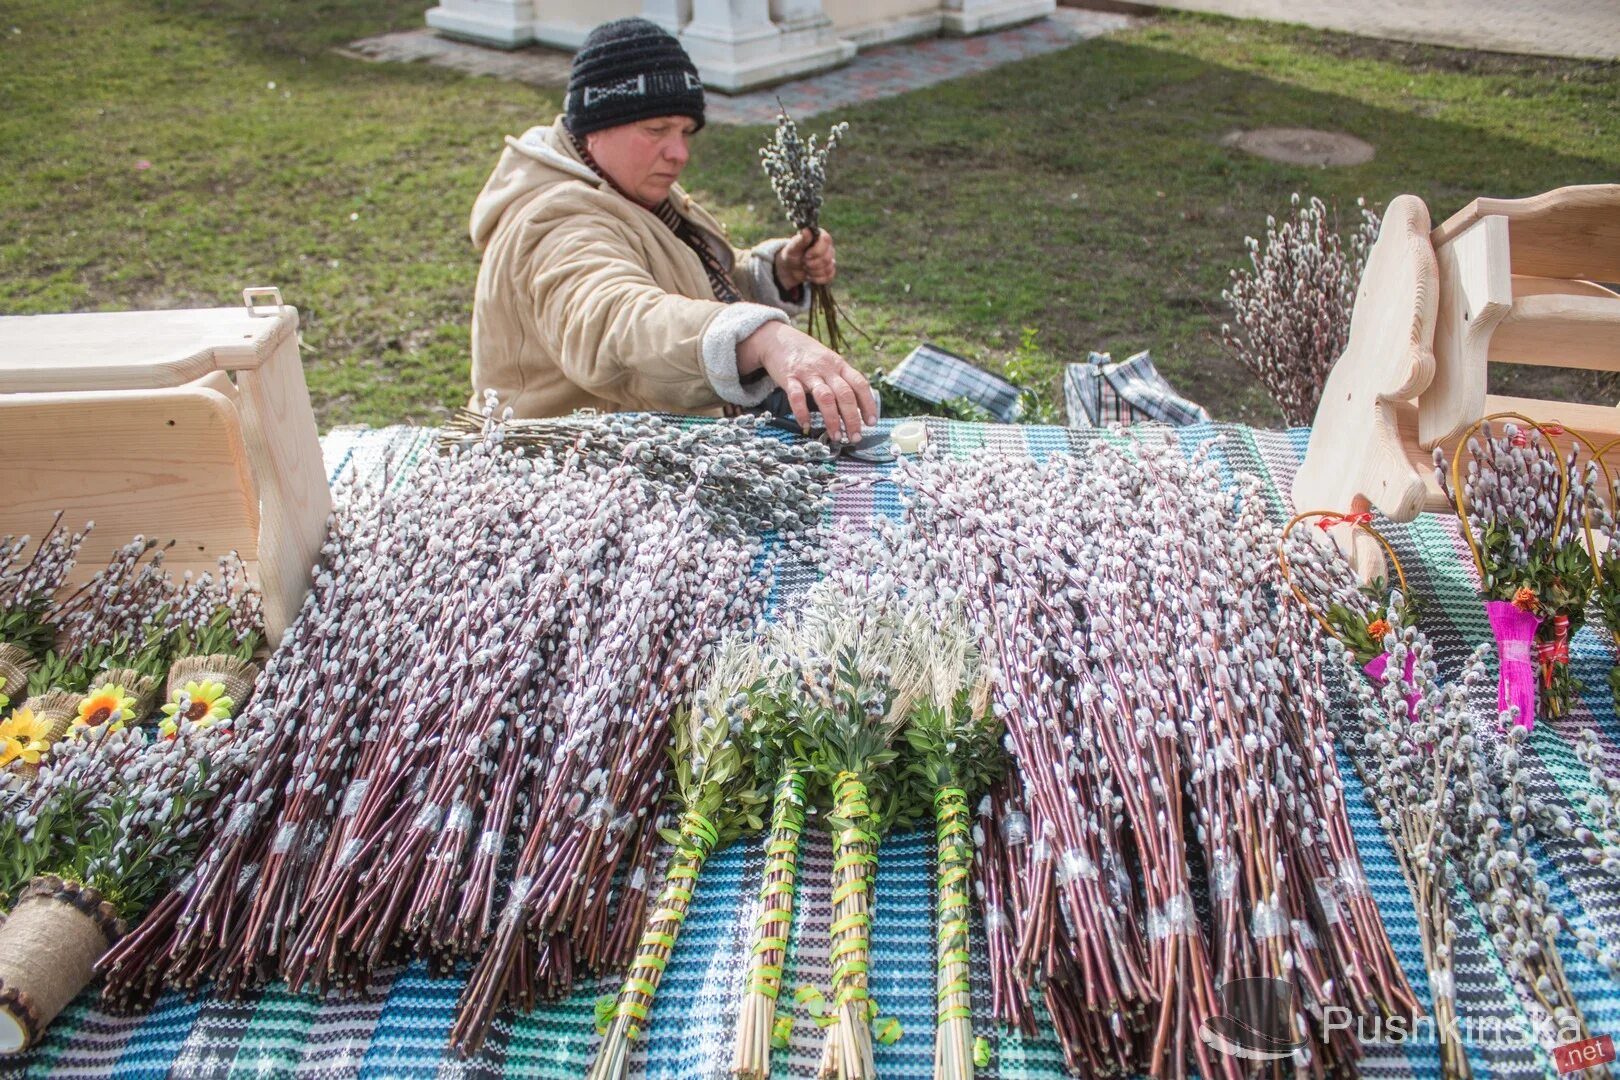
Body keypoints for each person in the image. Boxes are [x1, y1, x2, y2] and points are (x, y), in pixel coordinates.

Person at [467, 17, 877, 441]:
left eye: (685, 131)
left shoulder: (625, 187)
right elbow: (615, 323)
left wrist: (773, 273)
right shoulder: (555, 220)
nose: (679, 152)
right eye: (656, 130)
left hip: (636, 448)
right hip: (564, 475)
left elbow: (681, 287)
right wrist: (763, 338)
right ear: (594, 129)